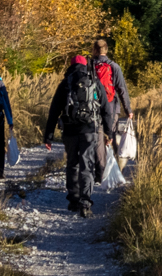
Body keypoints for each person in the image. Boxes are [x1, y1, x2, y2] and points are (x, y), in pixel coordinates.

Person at [43, 55, 115, 218]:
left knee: (72, 163)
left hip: (69, 130)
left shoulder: (65, 83)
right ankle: (85, 202)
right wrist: (109, 132)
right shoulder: (94, 81)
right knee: (87, 163)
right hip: (89, 129)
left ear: (71, 65)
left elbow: (54, 111)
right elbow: (106, 109)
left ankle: (74, 200)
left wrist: (48, 136)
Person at [91, 39, 133, 169]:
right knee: (111, 135)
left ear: (95, 50)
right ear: (106, 50)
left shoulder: (89, 65)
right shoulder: (114, 66)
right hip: (111, 106)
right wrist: (128, 110)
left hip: (93, 106)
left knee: (97, 135)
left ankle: (99, 167)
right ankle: (113, 167)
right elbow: (122, 89)